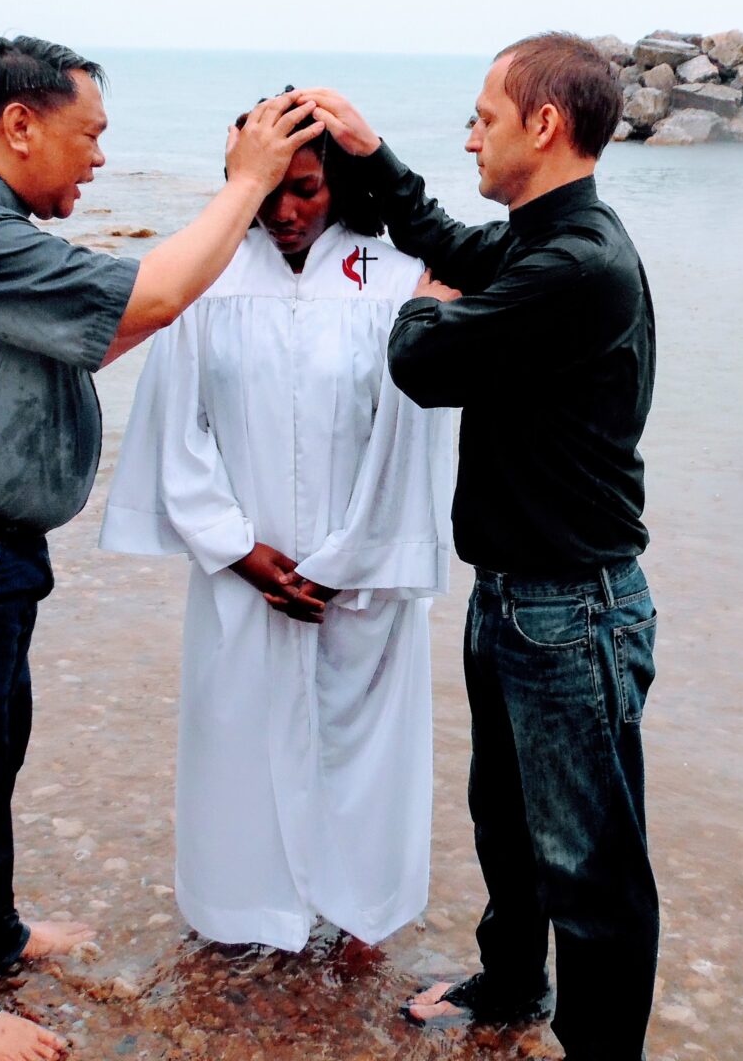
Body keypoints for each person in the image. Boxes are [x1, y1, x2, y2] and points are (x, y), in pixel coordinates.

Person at [0, 36, 320, 1061]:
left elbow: (103, 330)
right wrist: (245, 186)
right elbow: (143, 297)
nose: (99, 157)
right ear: (21, 123)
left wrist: (177, 281)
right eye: (88, 133)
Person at [295, 32, 659, 1061]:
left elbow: (421, 358)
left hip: (571, 604)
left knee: (592, 869)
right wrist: (372, 156)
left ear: (543, 124)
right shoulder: (545, 240)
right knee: (506, 821)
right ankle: (507, 988)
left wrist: (421, 306)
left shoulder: (578, 264)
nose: (470, 139)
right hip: (515, 594)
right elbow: (449, 244)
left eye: (483, 119)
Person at [99, 105, 453, 954]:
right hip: (245, 574)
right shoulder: (208, 281)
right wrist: (238, 549)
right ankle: (242, 912)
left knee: (364, 752)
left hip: (360, 578)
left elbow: (411, 438)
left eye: (305, 190)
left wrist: (353, 556)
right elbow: (179, 432)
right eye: (264, 192)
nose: (283, 213)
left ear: (340, 186)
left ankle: (362, 911)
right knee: (238, 744)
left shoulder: (395, 278)